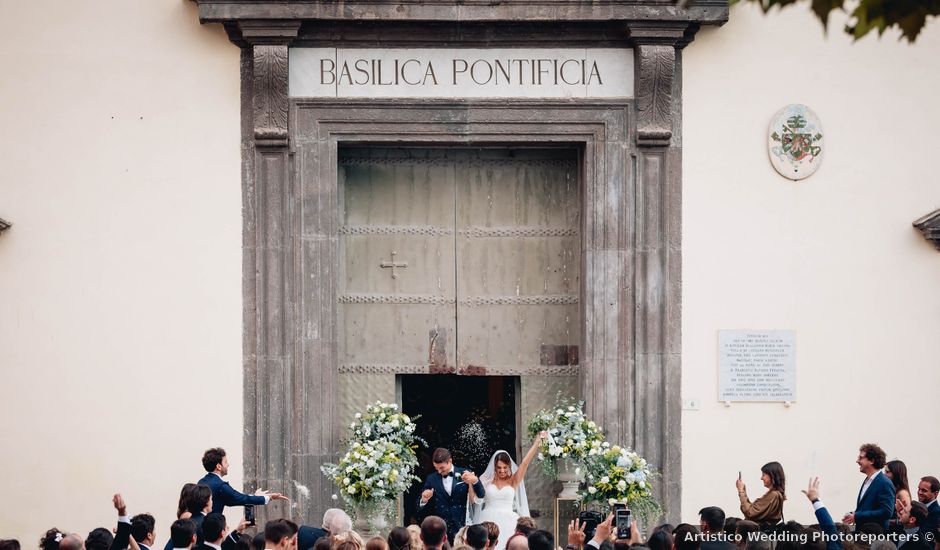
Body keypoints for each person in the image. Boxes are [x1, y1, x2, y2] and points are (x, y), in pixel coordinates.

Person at [470, 432, 547, 550]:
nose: (502, 470)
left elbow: (525, 463)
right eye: (499, 467)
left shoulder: (513, 480)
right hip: (487, 519)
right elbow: (474, 500)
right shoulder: (486, 480)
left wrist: (537, 443)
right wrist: (471, 483)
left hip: (509, 519)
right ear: (494, 467)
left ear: (509, 466)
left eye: (505, 467)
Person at [417, 448, 486, 543]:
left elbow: (481, 495)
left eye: (441, 468)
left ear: (450, 461)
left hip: (461, 528)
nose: (439, 472)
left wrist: (475, 481)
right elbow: (417, 506)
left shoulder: (465, 473)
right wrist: (424, 499)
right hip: (440, 530)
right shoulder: (431, 479)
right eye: (436, 468)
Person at [198, 448, 288, 515]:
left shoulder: (201, 481)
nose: (228, 464)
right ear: (218, 466)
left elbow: (234, 499)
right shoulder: (220, 486)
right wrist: (268, 498)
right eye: (225, 462)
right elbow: (241, 499)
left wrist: (254, 496)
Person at [843, 443, 895, 531]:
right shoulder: (868, 480)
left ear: (871, 461)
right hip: (863, 535)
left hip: (875, 537)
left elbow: (886, 512)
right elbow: (870, 507)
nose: (857, 461)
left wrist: (857, 516)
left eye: (861, 458)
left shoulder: (884, 483)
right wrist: (854, 514)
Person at [736, 462, 786, 527]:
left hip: (757, 534)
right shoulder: (776, 494)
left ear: (772, 475)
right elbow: (752, 510)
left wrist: (741, 491)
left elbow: (750, 512)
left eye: (763, 475)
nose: (761, 478)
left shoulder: (773, 495)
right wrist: (743, 491)